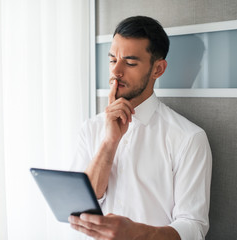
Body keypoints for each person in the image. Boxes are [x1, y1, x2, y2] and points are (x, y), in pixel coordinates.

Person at [68, 16, 212, 240]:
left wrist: (138, 234)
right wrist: (109, 142)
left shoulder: (188, 138)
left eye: (130, 62)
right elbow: (79, 206)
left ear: (158, 69)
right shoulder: (91, 128)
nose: (116, 71)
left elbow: (194, 227)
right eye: (112, 60)